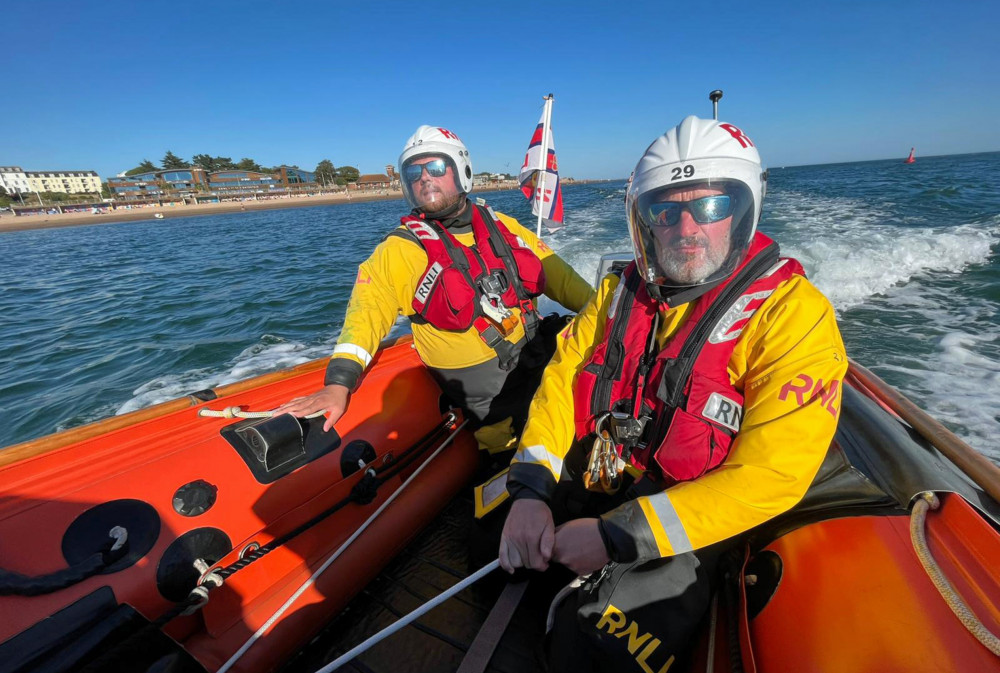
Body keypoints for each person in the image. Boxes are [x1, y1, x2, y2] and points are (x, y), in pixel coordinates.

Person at [497, 116, 848, 672]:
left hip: (688, 517)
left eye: (709, 207)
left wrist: (619, 536)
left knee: (593, 646)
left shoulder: (794, 316)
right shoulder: (616, 292)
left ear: (742, 209)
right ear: (647, 222)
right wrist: (530, 491)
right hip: (601, 475)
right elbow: (562, 380)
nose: (687, 227)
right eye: (667, 211)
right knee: (485, 533)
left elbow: (772, 475)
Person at [275, 126, 592, 454]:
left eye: (436, 168)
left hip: (541, 362)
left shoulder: (503, 227)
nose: (425, 178)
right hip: (494, 406)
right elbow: (365, 314)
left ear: (461, 172)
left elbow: (564, 281)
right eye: (415, 172)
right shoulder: (400, 251)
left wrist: (607, 313)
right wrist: (338, 383)